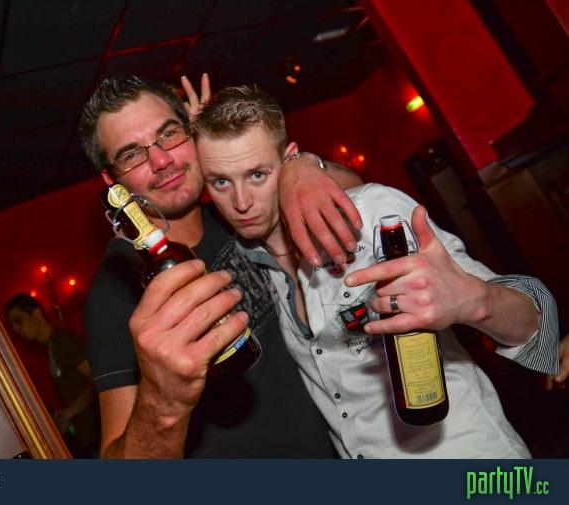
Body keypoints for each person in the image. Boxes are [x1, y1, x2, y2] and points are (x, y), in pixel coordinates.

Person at [192, 84, 560, 458]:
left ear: (288, 160)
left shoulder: (372, 215)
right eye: (221, 181)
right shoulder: (249, 261)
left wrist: (477, 301)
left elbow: (537, 326)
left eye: (257, 174)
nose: (241, 202)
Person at [79, 74, 363, 458]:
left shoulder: (234, 212)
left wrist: (302, 166)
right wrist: (163, 403)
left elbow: (354, 193)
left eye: (169, 134)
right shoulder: (115, 290)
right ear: (112, 181)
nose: (161, 161)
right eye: (132, 155)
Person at [5, 293, 99, 458]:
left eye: (18, 321)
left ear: (36, 313)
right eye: (12, 326)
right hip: (86, 439)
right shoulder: (52, 347)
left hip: (98, 434)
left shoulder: (64, 341)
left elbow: (98, 378)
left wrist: (68, 413)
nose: (16, 329)